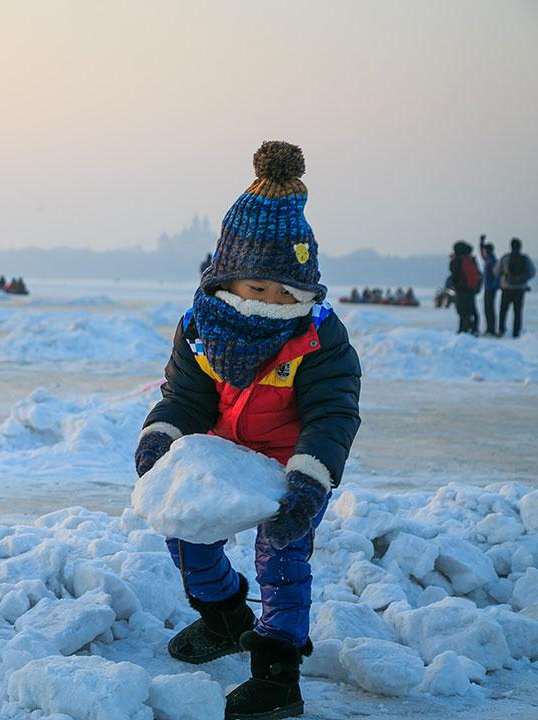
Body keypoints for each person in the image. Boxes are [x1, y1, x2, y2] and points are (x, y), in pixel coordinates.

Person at [134, 142, 361, 720]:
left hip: (291, 467)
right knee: (186, 534)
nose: (271, 302)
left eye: (286, 290)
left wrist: (309, 483)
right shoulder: (201, 330)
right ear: (228, 280)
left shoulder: (318, 338)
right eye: (257, 288)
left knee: (281, 557)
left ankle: (278, 674)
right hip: (222, 458)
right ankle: (226, 618)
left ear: (305, 286)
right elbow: (185, 396)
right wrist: (162, 437)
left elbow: (333, 414)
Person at [494, 237, 535, 338]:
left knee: (503, 310)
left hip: (507, 288)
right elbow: (532, 272)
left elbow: (496, 272)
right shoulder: (525, 258)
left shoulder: (505, 258)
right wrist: (523, 279)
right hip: (520, 289)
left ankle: (501, 330)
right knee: (517, 312)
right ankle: (516, 332)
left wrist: (503, 275)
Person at [449, 240, 480, 335]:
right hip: (471, 289)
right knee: (471, 309)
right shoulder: (471, 260)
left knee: (462, 310)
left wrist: (452, 261)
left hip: (461, 289)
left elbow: (454, 273)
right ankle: (473, 328)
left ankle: (464, 329)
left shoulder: (458, 260)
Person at [479, 235, 499, 335]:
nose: (484, 253)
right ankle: (489, 328)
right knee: (487, 309)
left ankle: (491, 329)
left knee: (489, 309)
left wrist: (493, 287)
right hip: (488, 288)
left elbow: (497, 276)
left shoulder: (492, 261)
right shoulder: (489, 259)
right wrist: (481, 242)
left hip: (490, 288)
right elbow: (482, 253)